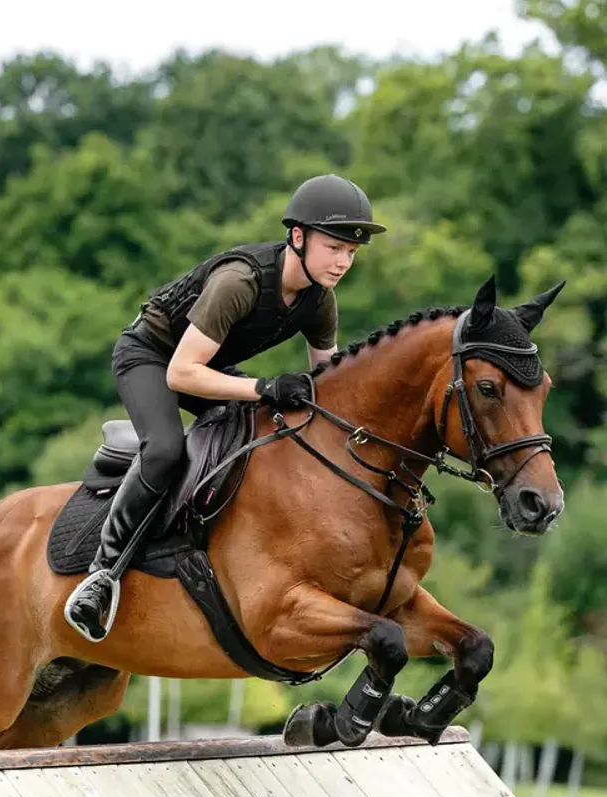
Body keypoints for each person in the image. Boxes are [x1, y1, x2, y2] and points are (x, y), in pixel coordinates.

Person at [64, 173, 387, 642]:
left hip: (207, 364)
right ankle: (101, 574)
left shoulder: (320, 300)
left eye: (351, 253)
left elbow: (328, 381)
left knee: (266, 430)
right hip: (152, 357)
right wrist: (265, 386)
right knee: (164, 450)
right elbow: (180, 374)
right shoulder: (240, 282)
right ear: (298, 237)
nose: (342, 262)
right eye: (334, 247)